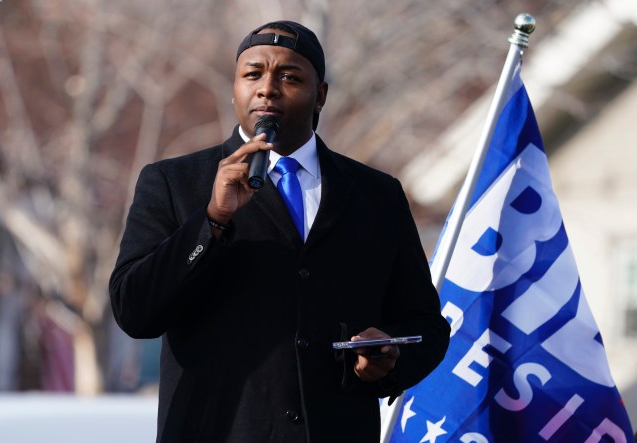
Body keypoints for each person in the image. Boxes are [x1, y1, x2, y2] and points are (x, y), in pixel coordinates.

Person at [109, 20, 450, 442]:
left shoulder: (377, 195)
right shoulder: (174, 183)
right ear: (234, 87)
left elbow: (427, 327)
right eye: (252, 74)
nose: (267, 88)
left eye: (289, 77)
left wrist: (390, 359)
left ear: (320, 94)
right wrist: (212, 219)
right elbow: (134, 309)